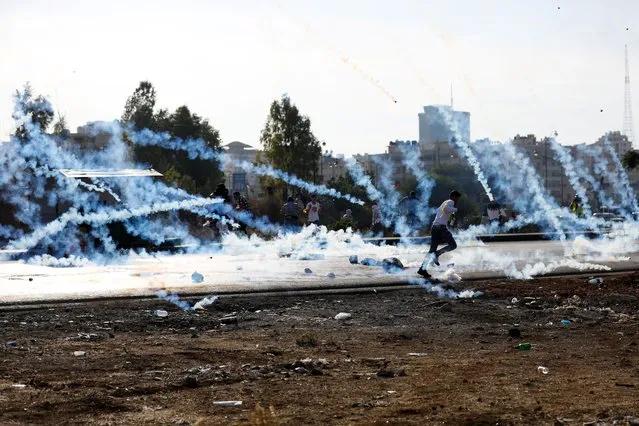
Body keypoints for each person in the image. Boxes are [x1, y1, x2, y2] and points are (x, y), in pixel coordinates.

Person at [418, 190, 462, 279]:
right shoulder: (450, 201)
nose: (457, 200)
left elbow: (439, 211)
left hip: (435, 227)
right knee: (453, 245)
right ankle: (437, 254)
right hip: (441, 228)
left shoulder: (445, 202)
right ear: (454, 197)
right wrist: (455, 210)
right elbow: (446, 209)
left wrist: (451, 215)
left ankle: (422, 269)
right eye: (457, 198)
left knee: (431, 250)